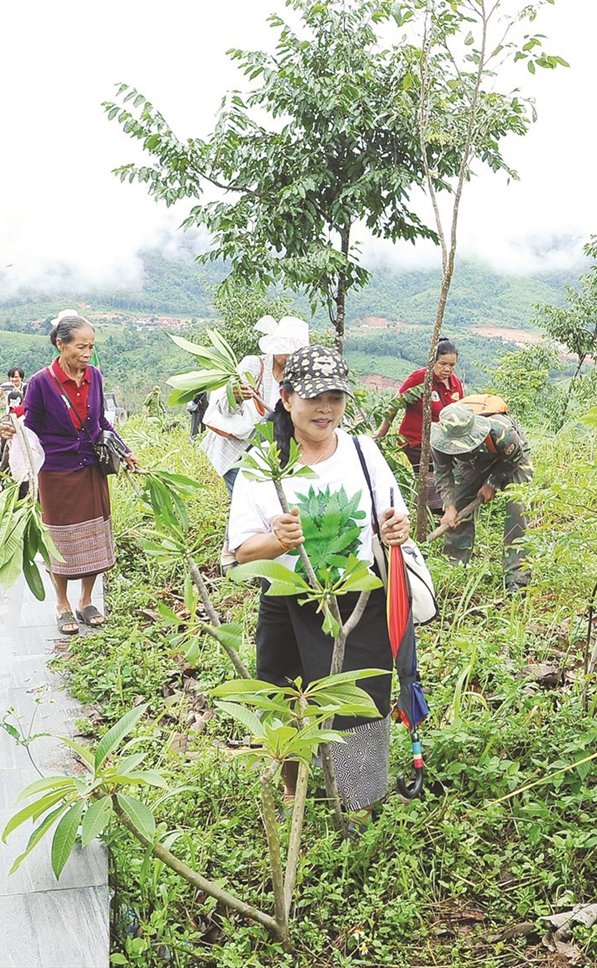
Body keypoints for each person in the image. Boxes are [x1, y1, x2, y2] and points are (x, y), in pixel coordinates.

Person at [228, 345, 412, 816]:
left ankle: (359, 801)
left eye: (336, 396)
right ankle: (294, 792)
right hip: (288, 600)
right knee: (285, 698)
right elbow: (240, 552)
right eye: (314, 397)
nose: (326, 408)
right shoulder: (264, 462)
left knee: (362, 703)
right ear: (286, 398)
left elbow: (393, 518)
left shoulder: (362, 451)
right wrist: (277, 539)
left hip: (358, 601)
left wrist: (396, 528)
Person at [17, 313, 136, 635]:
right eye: (80, 347)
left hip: (91, 470)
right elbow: (31, 428)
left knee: (95, 536)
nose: (86, 353)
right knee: (62, 541)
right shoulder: (42, 382)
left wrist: (125, 452)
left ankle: (86, 600)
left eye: (91, 346)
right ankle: (62, 603)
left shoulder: (95, 376)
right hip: (56, 473)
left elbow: (101, 424)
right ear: (60, 344)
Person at [430, 400, 533, 593]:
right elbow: (443, 474)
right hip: (472, 463)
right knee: (459, 508)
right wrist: (450, 506)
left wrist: (493, 483)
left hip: (512, 461)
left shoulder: (501, 431)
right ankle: (453, 569)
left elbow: (514, 459)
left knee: (517, 509)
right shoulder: (438, 440)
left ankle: (517, 578)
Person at [200, 315, 310, 492]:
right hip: (237, 449)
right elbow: (224, 408)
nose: (290, 355)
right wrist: (235, 396)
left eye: (296, 351)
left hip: (270, 453)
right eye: (286, 349)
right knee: (244, 501)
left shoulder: (298, 377)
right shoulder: (253, 365)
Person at [374, 337, 464, 514]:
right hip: (416, 440)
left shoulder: (455, 383)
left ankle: (434, 511)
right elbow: (396, 403)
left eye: (452, 365)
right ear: (433, 361)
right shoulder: (420, 378)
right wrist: (381, 432)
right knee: (432, 472)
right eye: (442, 363)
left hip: (442, 441)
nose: (447, 369)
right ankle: (426, 513)